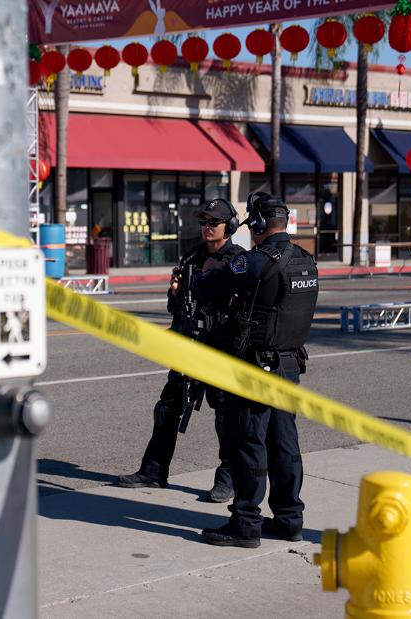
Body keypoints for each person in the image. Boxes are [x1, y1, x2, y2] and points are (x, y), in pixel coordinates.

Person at [192, 191, 319, 548]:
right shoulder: (305, 260)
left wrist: (209, 274)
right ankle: (289, 519)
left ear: (260, 224)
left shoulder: (258, 261)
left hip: (256, 368)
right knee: (285, 444)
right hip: (289, 365)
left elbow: (208, 286)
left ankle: (245, 523)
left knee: (249, 442)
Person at [117, 198, 246, 503]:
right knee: (167, 408)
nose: (206, 228)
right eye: (203, 222)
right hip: (188, 345)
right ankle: (154, 470)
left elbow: (242, 308)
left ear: (229, 227)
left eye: (212, 223)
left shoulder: (238, 261)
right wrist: (175, 294)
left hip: (219, 350)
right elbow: (176, 306)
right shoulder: (192, 257)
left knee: (225, 415)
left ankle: (228, 477)